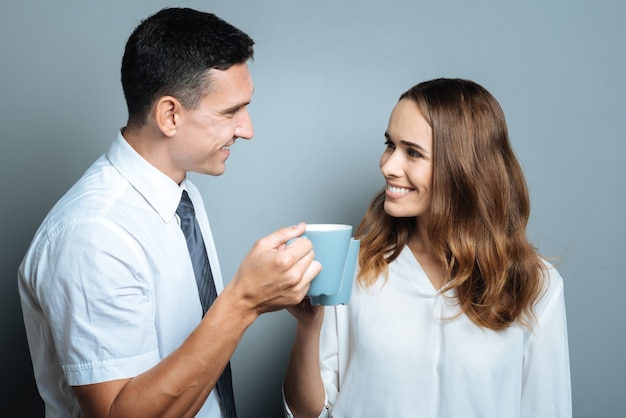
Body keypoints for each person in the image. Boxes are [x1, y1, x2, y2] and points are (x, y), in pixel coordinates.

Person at [18, 7, 321, 418]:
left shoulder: (182, 195)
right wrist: (243, 301)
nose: (247, 129)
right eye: (231, 112)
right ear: (170, 115)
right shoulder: (93, 234)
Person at [283, 78, 572, 417]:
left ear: (464, 168)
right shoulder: (355, 268)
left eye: (413, 152)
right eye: (390, 145)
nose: (388, 165)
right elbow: (308, 413)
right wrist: (308, 326)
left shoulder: (535, 284)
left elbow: (547, 409)